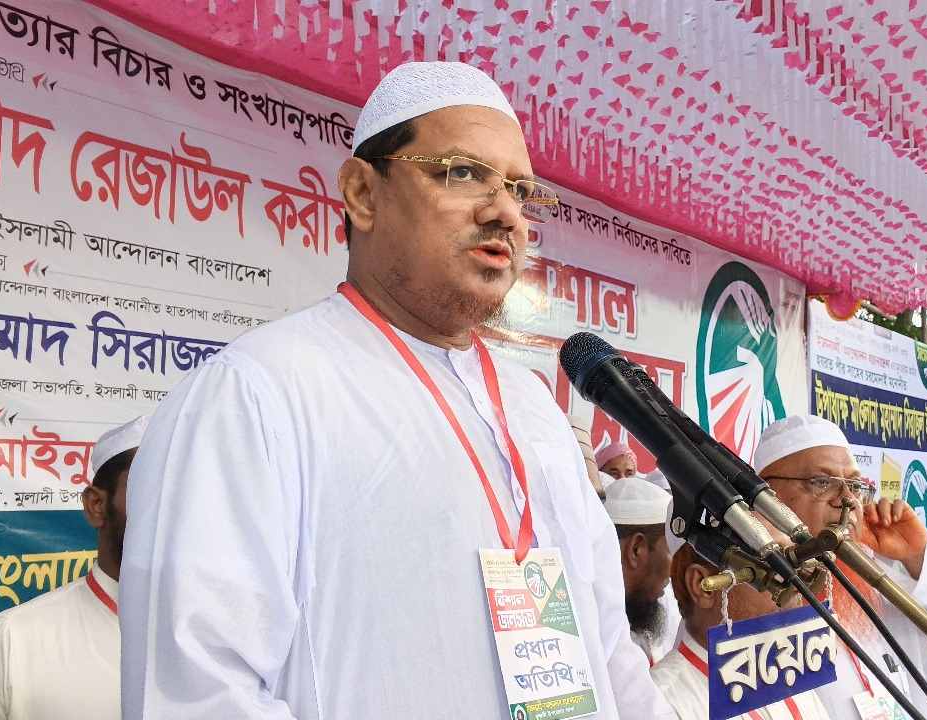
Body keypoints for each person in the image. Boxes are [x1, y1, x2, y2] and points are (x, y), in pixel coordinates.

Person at [119, 61, 674, 719]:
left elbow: (607, 648)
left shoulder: (533, 409)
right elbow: (197, 692)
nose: (506, 212)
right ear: (362, 193)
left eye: (520, 190)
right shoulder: (255, 394)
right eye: (461, 172)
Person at [752, 415, 927, 720]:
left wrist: (916, 557)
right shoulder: (748, 599)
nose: (847, 500)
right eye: (822, 482)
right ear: (769, 496)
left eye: (854, 485)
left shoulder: (884, 582)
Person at [0, 416, 147, 720]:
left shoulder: (224, 639)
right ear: (96, 505)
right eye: (153, 488)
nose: (174, 510)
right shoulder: (10, 644)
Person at [651, 542, 832, 720]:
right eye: (775, 568)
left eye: (796, 565)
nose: (796, 586)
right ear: (702, 587)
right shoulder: (661, 706)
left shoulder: (789, 672)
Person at [604, 476, 674, 665]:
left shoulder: (629, 624)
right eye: (671, 549)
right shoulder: (602, 637)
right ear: (637, 549)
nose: (675, 569)